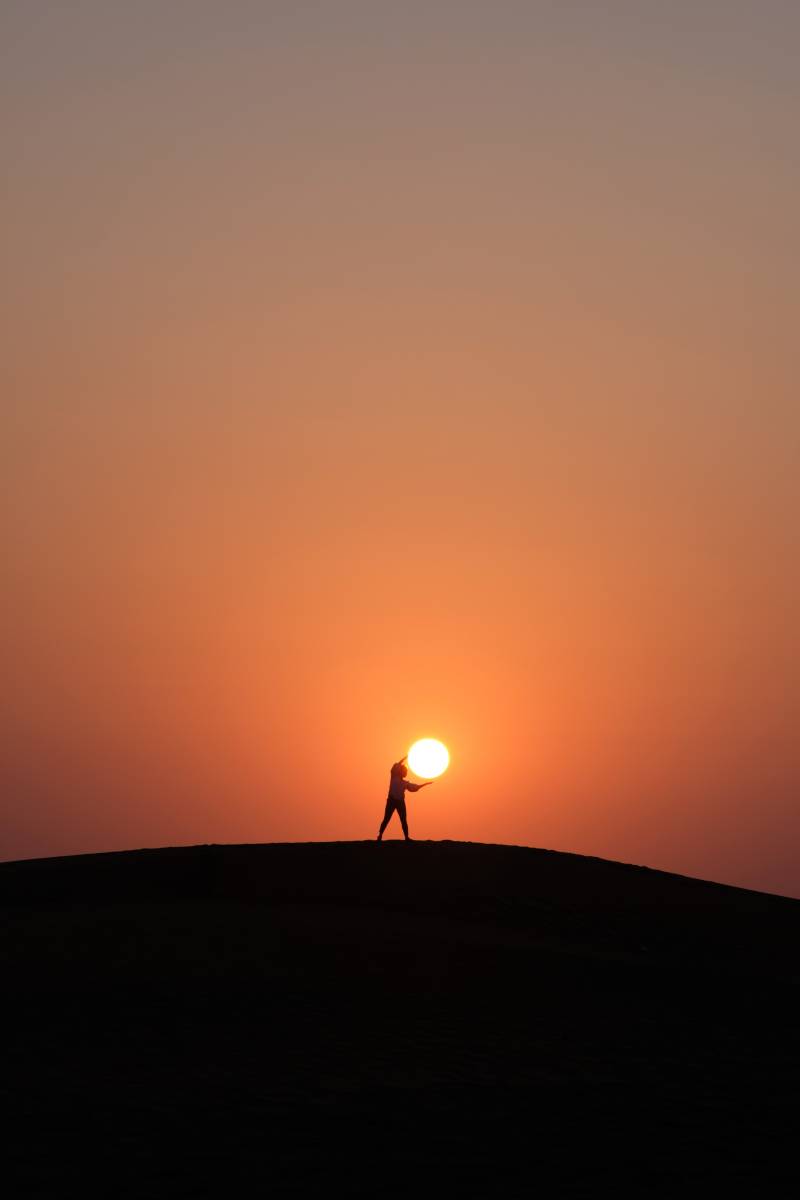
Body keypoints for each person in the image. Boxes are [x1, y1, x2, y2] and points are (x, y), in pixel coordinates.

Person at [377, 755, 432, 841]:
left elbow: (414, 788)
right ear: (400, 772)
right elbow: (396, 765)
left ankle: (406, 837)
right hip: (391, 801)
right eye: (405, 771)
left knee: (403, 820)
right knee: (386, 818)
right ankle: (380, 835)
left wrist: (424, 784)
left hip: (400, 802)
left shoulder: (405, 783)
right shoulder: (394, 776)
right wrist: (405, 757)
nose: (406, 773)